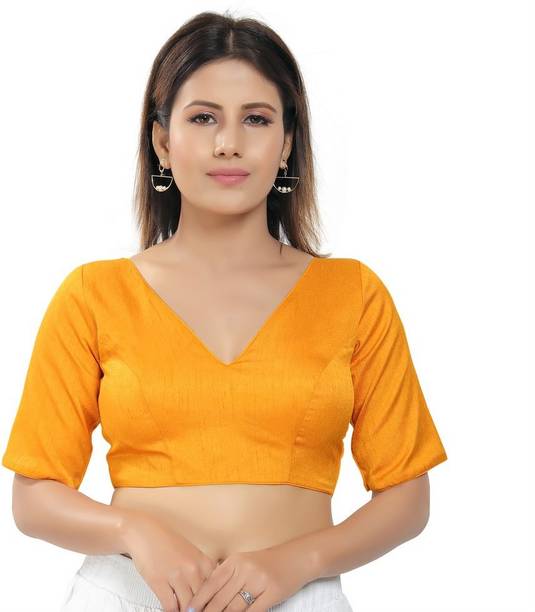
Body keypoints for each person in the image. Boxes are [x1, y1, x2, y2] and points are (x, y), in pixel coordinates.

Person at [1, 10, 448, 612]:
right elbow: (33, 495)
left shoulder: (354, 295)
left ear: (287, 143)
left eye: (256, 119)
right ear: (162, 142)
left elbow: (408, 496)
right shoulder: (94, 295)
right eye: (203, 117)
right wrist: (133, 532)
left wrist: (299, 561)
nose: (229, 142)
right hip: (126, 594)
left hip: (299, 596)